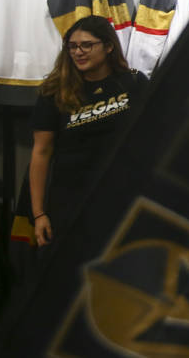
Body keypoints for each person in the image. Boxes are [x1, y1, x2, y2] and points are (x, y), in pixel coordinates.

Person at [28, 16, 149, 248]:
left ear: (108, 46)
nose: (78, 52)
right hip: (71, 202)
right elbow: (41, 152)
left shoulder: (133, 83)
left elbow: (152, 139)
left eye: (86, 45)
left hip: (124, 198)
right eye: (73, 46)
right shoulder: (55, 92)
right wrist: (39, 213)